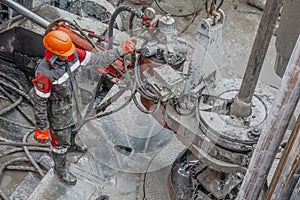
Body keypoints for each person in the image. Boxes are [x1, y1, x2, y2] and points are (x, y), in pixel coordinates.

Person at [29, 30, 136, 185]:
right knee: (60, 143)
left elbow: (98, 59)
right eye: (65, 53)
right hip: (58, 112)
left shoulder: (73, 55)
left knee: (74, 127)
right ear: (54, 53)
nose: (69, 55)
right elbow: (39, 102)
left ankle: (72, 145)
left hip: (74, 101)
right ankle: (60, 170)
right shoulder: (45, 73)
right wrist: (42, 127)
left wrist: (121, 50)